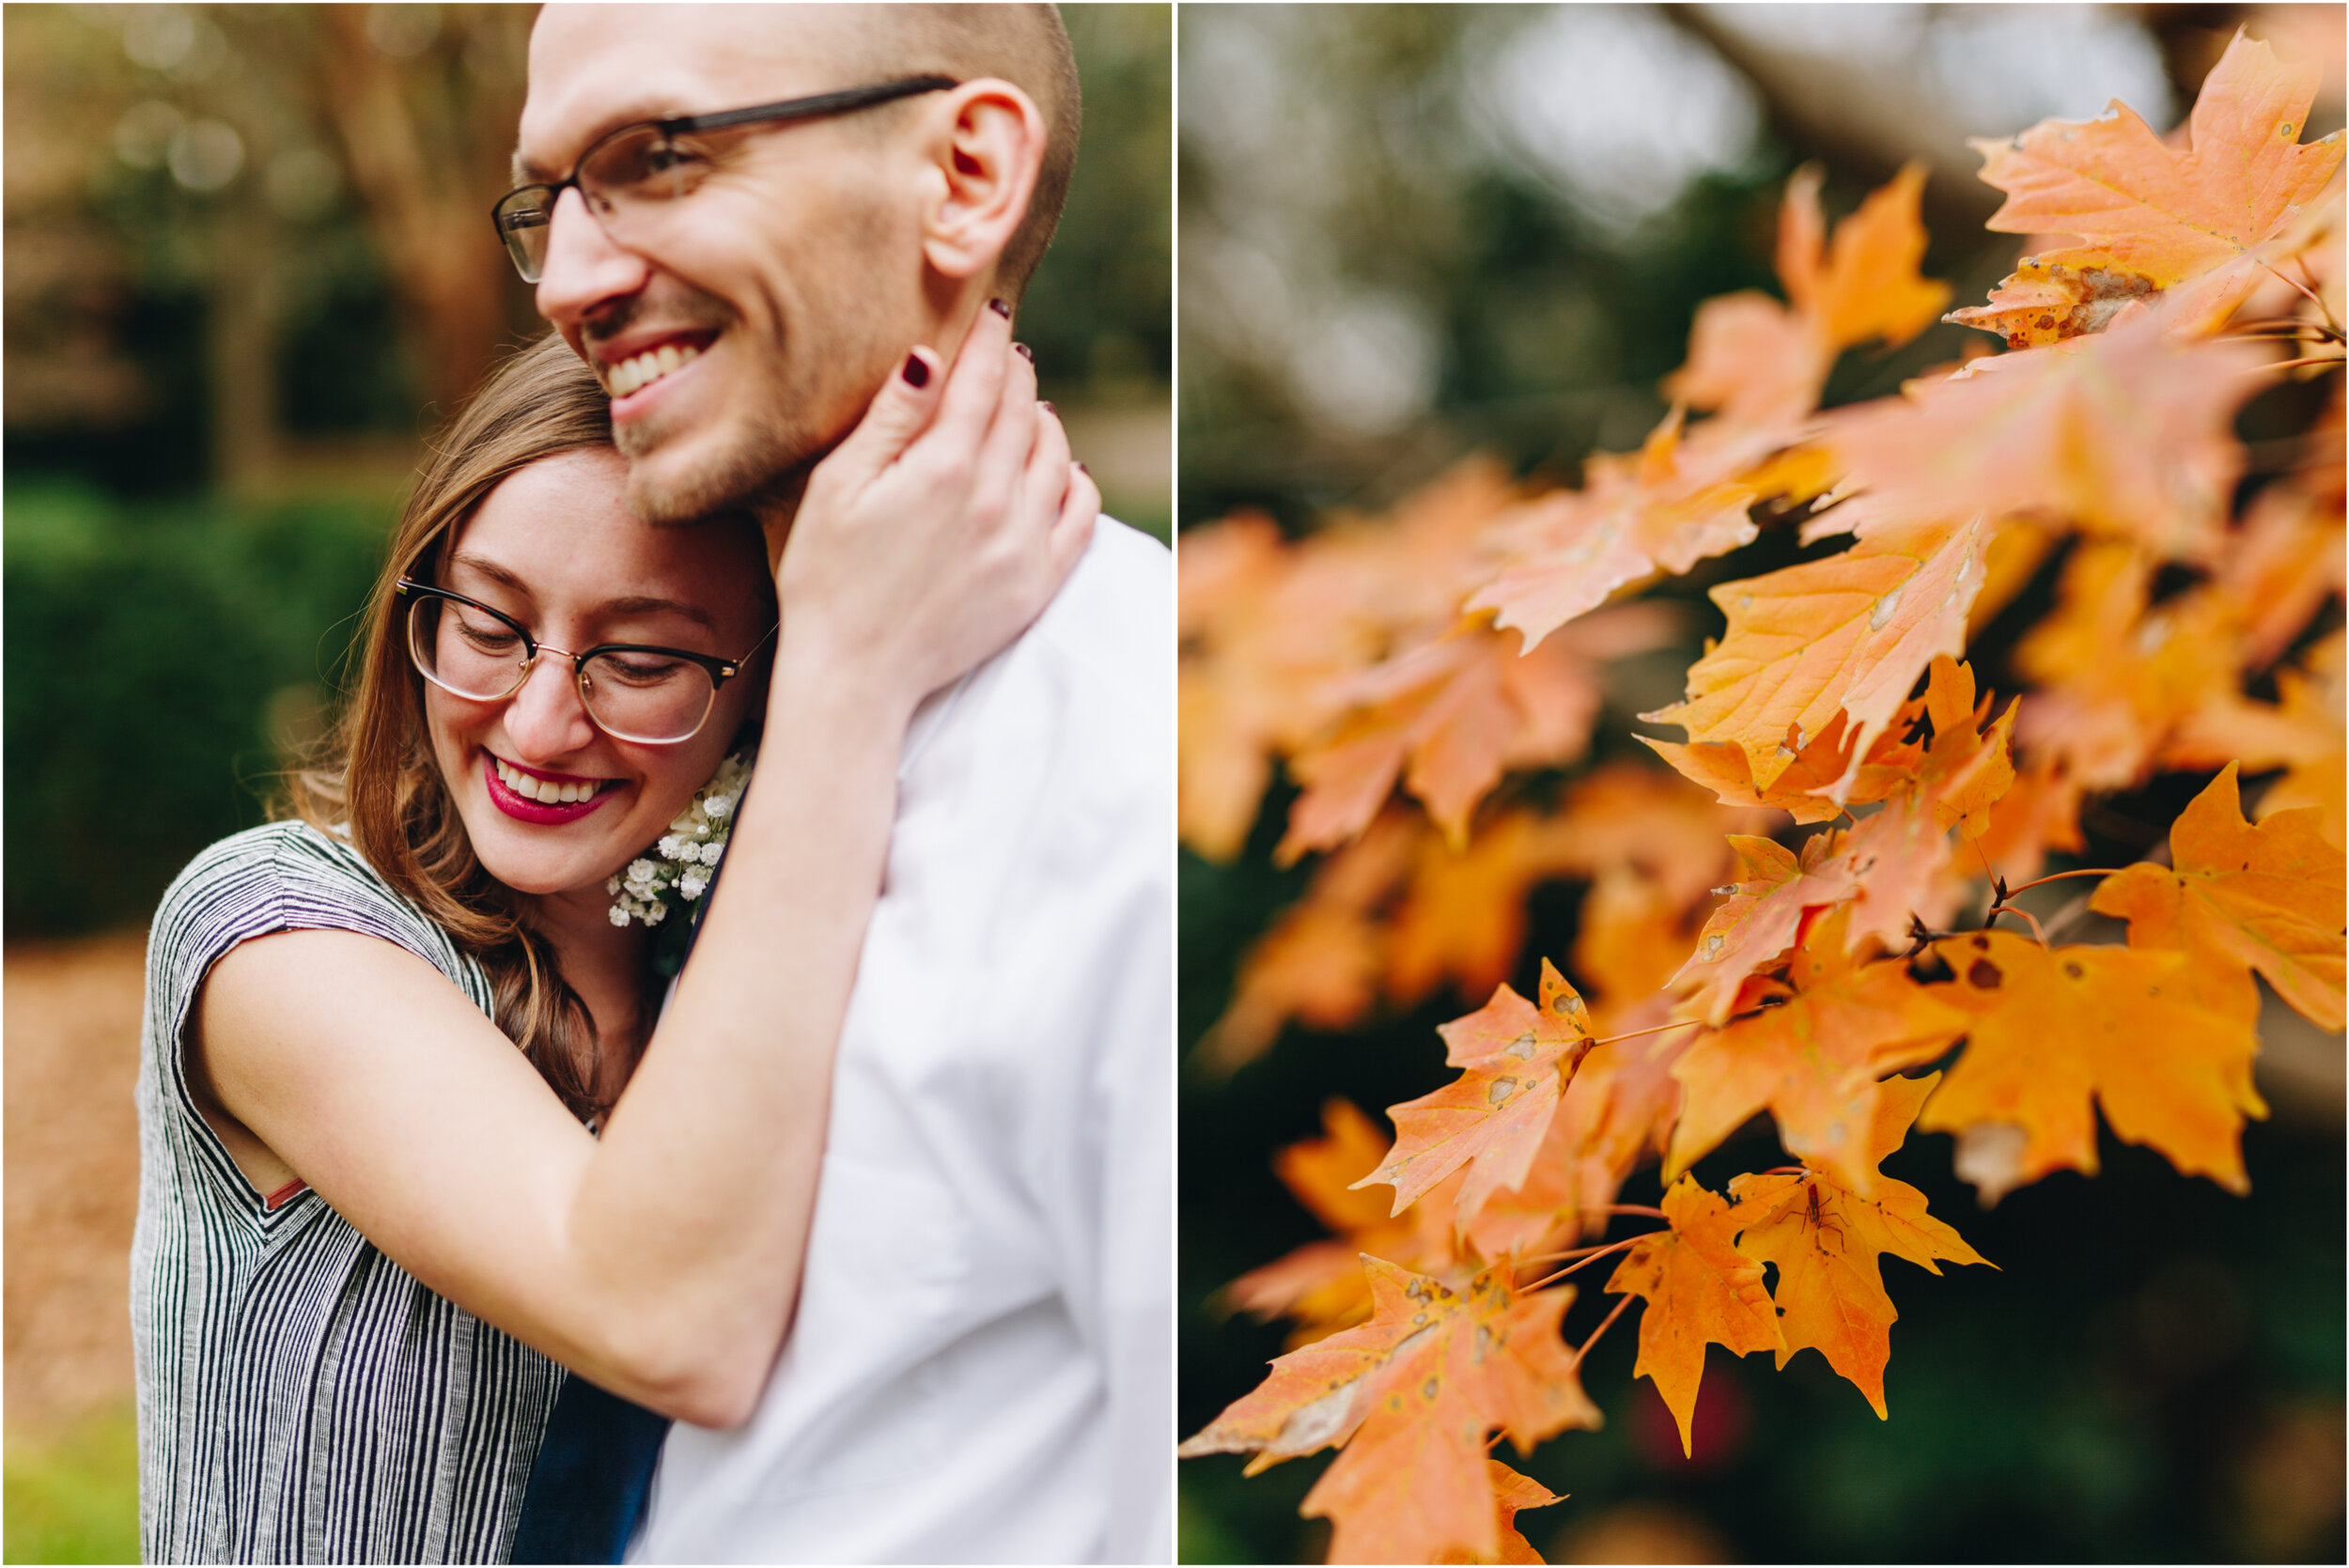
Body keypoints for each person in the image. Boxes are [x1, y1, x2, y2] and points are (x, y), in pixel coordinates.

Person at [130, 298, 1091, 1560]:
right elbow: (659, 1313)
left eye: (637, 659)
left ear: (761, 684)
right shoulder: (273, 937)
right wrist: (854, 679)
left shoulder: (767, 971)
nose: (534, 724)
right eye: (487, 624)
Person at [506, 4, 1174, 1561]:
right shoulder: (712, 738)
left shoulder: (1133, 754)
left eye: (655, 158)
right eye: (549, 201)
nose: (565, 283)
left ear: (965, 174)